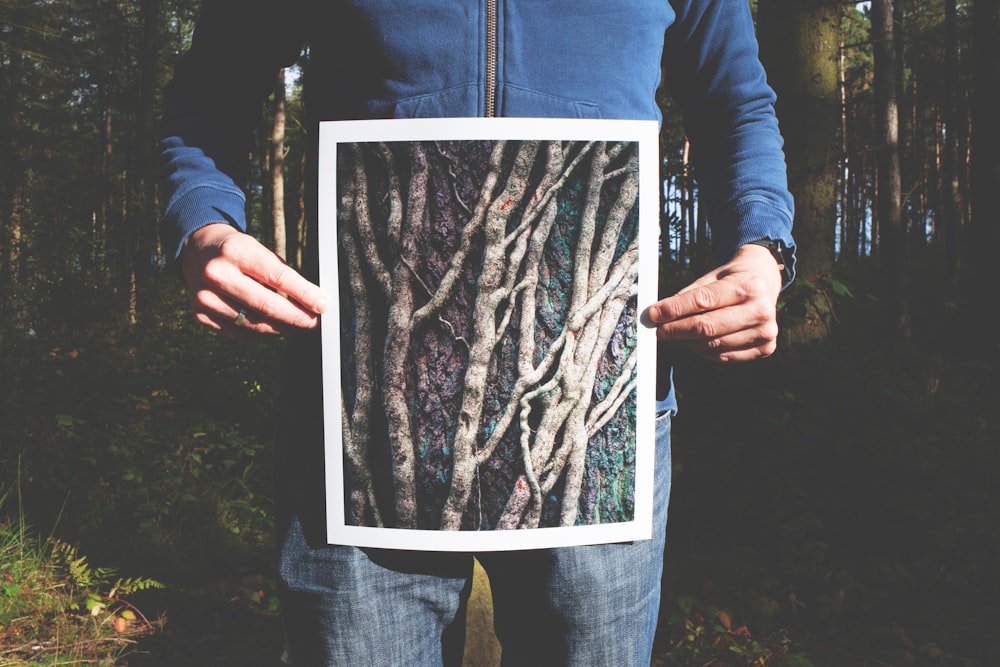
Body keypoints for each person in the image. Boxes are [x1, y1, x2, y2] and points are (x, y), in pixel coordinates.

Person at [159, 1, 795, 664]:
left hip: (596, 409)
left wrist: (760, 244)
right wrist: (204, 223)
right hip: (357, 412)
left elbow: (735, 103)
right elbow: (211, 88)